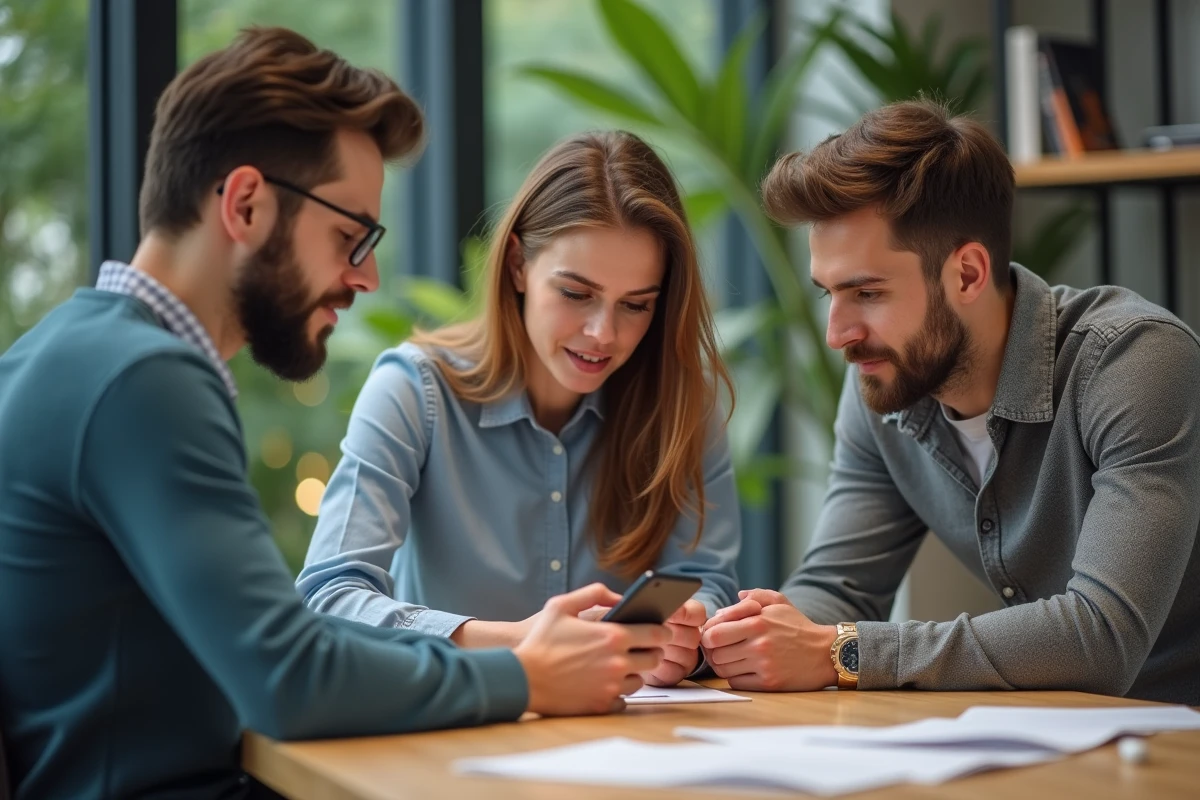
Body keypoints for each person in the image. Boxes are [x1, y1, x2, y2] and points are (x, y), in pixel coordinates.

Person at [0, 27, 670, 800]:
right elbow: (291, 677)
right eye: (351, 236)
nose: (368, 277)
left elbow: (279, 643)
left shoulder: (60, 354)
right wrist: (524, 675)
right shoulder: (144, 381)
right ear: (246, 204)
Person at [701, 99, 1200, 704]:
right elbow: (838, 589)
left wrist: (841, 651)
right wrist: (733, 638)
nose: (838, 334)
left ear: (966, 274)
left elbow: (1100, 637)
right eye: (830, 293)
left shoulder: (1134, 362)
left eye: (867, 291)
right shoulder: (884, 385)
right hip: (1060, 736)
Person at [297, 130, 741, 687]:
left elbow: (707, 585)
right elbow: (328, 598)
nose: (603, 333)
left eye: (636, 305)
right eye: (577, 294)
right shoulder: (414, 390)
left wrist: (686, 639)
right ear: (516, 265)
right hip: (450, 739)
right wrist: (521, 645)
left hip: (628, 741)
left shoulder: (684, 407)